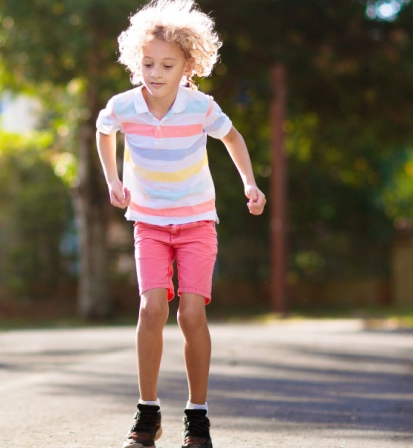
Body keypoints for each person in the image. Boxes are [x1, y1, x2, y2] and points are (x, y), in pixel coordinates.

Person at [95, 1, 266, 447]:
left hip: (195, 223)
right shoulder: (126, 105)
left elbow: (233, 136)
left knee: (191, 313)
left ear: (188, 65)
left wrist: (250, 183)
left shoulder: (199, 107)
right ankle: (147, 412)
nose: (155, 72)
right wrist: (112, 179)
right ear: (137, 61)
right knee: (152, 308)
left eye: (167, 64)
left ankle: (198, 414)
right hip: (148, 222)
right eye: (147, 62)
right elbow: (103, 129)